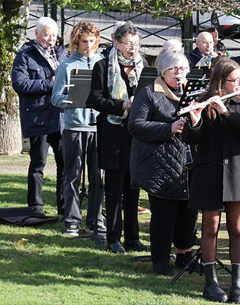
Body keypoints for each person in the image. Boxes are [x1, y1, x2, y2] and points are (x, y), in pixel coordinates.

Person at [183, 58, 240, 303]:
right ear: (221, 82)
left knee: (237, 229)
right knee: (211, 229)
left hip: (238, 172)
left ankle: (237, 285)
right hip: (209, 173)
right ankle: (211, 284)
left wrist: (226, 112)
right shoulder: (204, 103)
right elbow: (190, 139)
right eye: (235, 80)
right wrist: (195, 121)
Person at [128, 50, 198, 276]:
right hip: (159, 164)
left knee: (189, 213)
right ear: (163, 71)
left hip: (188, 165)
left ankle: (184, 255)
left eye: (183, 68)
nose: (180, 73)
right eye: (174, 69)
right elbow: (135, 125)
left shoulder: (193, 92)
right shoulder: (148, 93)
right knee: (164, 214)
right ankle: (160, 259)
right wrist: (167, 129)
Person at [87, 22, 148, 254]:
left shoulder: (144, 66)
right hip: (113, 134)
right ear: (116, 43)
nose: (133, 48)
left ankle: (133, 238)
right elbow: (94, 100)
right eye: (128, 44)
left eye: (136, 43)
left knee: (133, 189)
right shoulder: (103, 66)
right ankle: (114, 237)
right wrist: (122, 104)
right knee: (114, 190)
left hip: (136, 134)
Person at [51, 20, 105, 237]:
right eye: (84, 41)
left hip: (98, 127)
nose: (88, 46)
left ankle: (95, 220)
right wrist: (72, 99)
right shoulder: (66, 65)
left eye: (92, 41)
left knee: (97, 176)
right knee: (72, 175)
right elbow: (55, 98)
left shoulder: (102, 62)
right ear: (76, 41)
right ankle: (72, 221)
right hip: (74, 126)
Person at [12, 17, 68, 216]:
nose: (51, 39)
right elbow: (20, 85)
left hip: (61, 118)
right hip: (38, 117)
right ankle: (35, 207)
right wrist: (50, 83)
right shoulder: (25, 55)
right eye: (46, 34)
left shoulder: (63, 54)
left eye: (54, 35)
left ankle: (64, 207)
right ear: (36, 34)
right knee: (37, 164)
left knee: (64, 163)